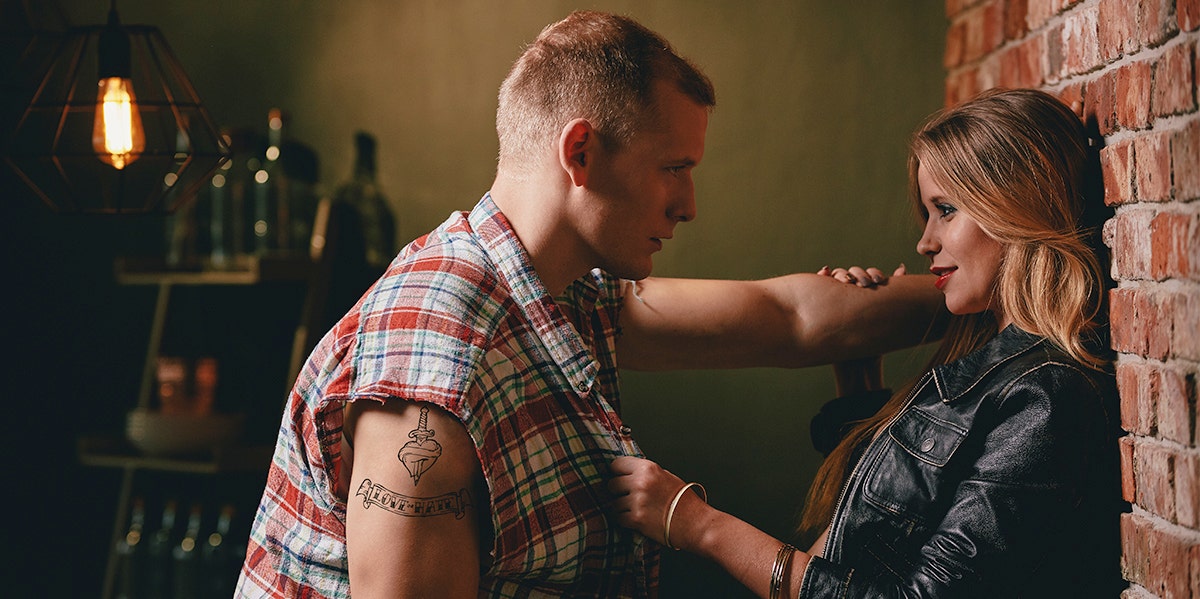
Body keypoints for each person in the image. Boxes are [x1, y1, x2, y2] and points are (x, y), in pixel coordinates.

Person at [235, 10, 944, 599]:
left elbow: (788, 318)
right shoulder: (436, 352)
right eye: (675, 169)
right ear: (581, 152)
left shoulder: (560, 292)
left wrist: (996, 284)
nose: (689, 205)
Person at [610, 88, 1125, 598]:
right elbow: (881, 535)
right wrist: (857, 372)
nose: (925, 242)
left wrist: (700, 526)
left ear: (1017, 203)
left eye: (945, 209)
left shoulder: (1045, 395)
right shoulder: (998, 367)